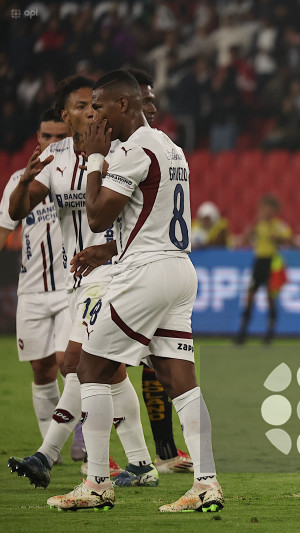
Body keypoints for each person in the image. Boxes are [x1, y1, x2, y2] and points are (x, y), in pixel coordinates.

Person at [48, 70, 222, 512]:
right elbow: (151, 216)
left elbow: (96, 215)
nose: (93, 115)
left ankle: (97, 483)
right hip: (179, 269)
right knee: (179, 380)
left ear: (123, 106)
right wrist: (107, 251)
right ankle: (206, 482)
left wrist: (93, 160)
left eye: (100, 107)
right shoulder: (170, 147)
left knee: (90, 367)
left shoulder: (130, 151)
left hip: (145, 275)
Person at [7, 76, 156, 490]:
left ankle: (47, 455)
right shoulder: (53, 160)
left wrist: (108, 251)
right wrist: (23, 181)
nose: (90, 112)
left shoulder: (118, 153)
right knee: (111, 373)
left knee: (74, 362)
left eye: (94, 105)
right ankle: (142, 464)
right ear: (65, 115)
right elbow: (19, 211)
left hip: (112, 274)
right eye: (80, 106)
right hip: (78, 279)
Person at [125, 67, 194, 474]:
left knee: (98, 365)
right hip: (156, 269)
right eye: (145, 99)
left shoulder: (142, 149)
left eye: (153, 99)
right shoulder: (159, 147)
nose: (152, 107)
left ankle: (148, 458)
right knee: (92, 365)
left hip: (143, 269)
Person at [0, 108, 70, 448]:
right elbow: (4, 230)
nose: (53, 143)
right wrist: (27, 180)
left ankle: (82, 444)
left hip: (72, 287)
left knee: (68, 364)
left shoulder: (78, 173)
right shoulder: (18, 181)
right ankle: (50, 451)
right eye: (47, 136)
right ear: (38, 139)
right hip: (31, 291)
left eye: (60, 136)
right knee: (42, 371)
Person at [235, 195, 292, 345]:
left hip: (271, 263)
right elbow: (244, 239)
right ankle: (242, 333)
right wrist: (252, 226)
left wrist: (278, 238)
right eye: (263, 208)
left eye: (268, 209)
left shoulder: (277, 225)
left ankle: (269, 333)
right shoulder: (258, 225)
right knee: (249, 297)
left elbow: (290, 240)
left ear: (273, 211)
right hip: (259, 262)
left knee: (270, 298)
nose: (265, 212)